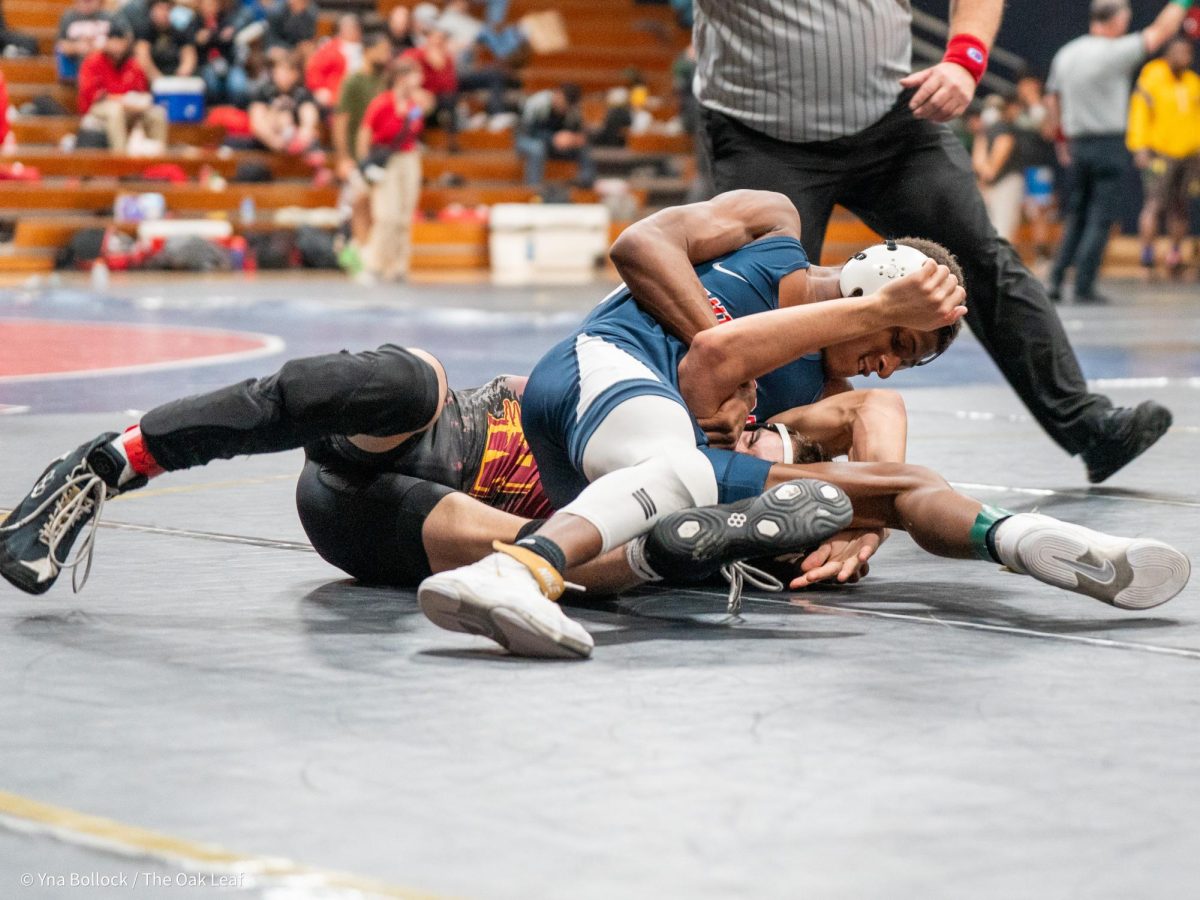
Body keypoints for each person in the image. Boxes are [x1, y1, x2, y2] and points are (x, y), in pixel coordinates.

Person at [415, 190, 1190, 658]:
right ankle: (516, 571)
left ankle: (1017, 538)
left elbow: (875, 410)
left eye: (905, 356)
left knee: (902, 485)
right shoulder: (770, 228)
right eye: (895, 342)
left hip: (624, 464)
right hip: (601, 366)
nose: (885, 363)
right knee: (681, 466)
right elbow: (643, 250)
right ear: (870, 289)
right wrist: (868, 314)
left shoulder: (824, 372)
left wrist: (866, 521)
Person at [691, 0, 1180, 486]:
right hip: (760, 132)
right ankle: (749, 464)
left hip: (892, 119)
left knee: (980, 261)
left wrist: (966, 59)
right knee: (761, 303)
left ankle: (1089, 427)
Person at [1045, 0, 1189, 302]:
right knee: (1100, 217)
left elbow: (1053, 100)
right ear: (1117, 21)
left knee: (1077, 213)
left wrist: (1061, 140)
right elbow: (1162, 31)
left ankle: (1056, 280)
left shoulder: (1067, 53)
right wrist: (1183, 2)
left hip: (1077, 143)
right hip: (1108, 144)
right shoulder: (1116, 52)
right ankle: (1084, 285)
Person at [1127, 35, 1200, 278]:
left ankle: (1174, 255)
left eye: (1188, 54)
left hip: (1189, 154)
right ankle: (1147, 256)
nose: (1185, 58)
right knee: (1154, 204)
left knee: (1181, 207)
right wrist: (1140, 147)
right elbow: (1139, 112)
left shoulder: (1192, 82)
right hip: (1160, 153)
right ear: (1168, 54)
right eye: (1179, 53)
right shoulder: (1152, 77)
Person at [357, 58, 428, 282]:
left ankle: (398, 266)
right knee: (387, 215)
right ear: (401, 78)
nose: (419, 80)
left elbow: (417, 127)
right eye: (414, 75)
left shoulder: (414, 105)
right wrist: (365, 164)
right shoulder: (382, 103)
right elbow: (365, 133)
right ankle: (375, 265)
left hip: (408, 159)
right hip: (385, 159)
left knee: (404, 216)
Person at [333, 32, 393, 268]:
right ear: (368, 51)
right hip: (357, 155)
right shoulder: (354, 81)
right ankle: (358, 252)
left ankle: (369, 254)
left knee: (374, 205)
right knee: (358, 203)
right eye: (382, 49)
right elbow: (340, 122)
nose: (387, 55)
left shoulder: (383, 80)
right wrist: (344, 157)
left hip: (378, 155)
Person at [77, 21, 168, 154]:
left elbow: (142, 91)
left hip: (131, 109)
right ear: (107, 41)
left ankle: (158, 160)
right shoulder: (93, 62)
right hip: (97, 108)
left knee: (157, 113)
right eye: (114, 41)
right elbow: (93, 95)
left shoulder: (133, 64)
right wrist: (123, 100)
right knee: (115, 111)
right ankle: (121, 160)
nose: (117, 47)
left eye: (121, 42)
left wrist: (142, 101)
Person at [516, 84, 596, 188]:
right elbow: (526, 131)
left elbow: (581, 132)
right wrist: (552, 137)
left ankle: (585, 184)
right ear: (558, 94)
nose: (563, 109)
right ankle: (533, 188)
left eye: (566, 107)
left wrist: (574, 139)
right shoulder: (538, 102)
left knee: (583, 149)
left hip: (556, 145)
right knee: (537, 148)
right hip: (527, 140)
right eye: (563, 104)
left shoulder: (573, 110)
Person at [972, 93, 1026, 242]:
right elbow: (980, 165)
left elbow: (990, 168)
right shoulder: (987, 131)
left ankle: (1003, 265)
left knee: (1002, 230)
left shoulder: (1004, 129)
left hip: (1006, 182)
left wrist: (986, 175)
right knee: (995, 230)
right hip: (992, 185)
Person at [247, 52, 320, 156]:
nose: (284, 76)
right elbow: (257, 121)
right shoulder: (263, 92)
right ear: (274, 72)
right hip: (267, 142)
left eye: (289, 71)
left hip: (297, 144)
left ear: (296, 74)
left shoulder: (303, 94)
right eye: (281, 70)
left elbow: (309, 119)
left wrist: (302, 138)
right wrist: (274, 141)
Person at [304, 13, 362, 110]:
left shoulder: (366, 51)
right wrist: (320, 89)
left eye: (353, 28)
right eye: (346, 27)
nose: (350, 31)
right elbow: (314, 70)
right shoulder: (329, 48)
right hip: (335, 94)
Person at [134, 0, 199, 82]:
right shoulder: (144, 30)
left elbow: (189, 55)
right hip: (153, 79)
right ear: (152, 10)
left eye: (167, 9)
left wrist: (182, 74)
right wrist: (159, 80)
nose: (164, 13)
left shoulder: (180, 30)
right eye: (160, 9)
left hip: (177, 78)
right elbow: (142, 58)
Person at [56, 0, 112, 82]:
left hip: (103, 62)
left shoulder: (110, 17)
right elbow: (61, 45)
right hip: (75, 64)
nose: (86, 4)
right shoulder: (68, 17)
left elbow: (120, 43)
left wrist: (98, 46)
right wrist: (77, 47)